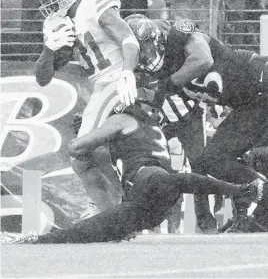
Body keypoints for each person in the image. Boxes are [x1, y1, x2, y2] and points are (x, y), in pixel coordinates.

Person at [6, 97, 265, 244]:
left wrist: (86, 131)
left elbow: (77, 148)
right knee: (101, 229)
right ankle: (42, 241)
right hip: (151, 206)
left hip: (148, 182)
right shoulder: (149, 128)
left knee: (167, 181)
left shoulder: (121, 120)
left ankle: (240, 190)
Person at [125, 14, 268, 233]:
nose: (144, 57)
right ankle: (259, 206)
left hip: (261, 80)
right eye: (139, 53)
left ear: (154, 38)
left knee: (235, 157)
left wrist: (169, 84)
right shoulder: (158, 72)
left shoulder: (179, 37)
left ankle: (256, 217)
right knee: (214, 159)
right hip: (250, 105)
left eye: (145, 49)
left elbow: (203, 60)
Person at [34, 0, 141, 214]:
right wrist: (49, 47)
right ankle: (109, 214)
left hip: (116, 80)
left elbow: (128, 37)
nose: (49, 2)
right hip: (100, 86)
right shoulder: (60, 22)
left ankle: (131, 205)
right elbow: (42, 78)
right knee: (82, 161)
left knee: (82, 150)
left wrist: (127, 72)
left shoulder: (93, 3)